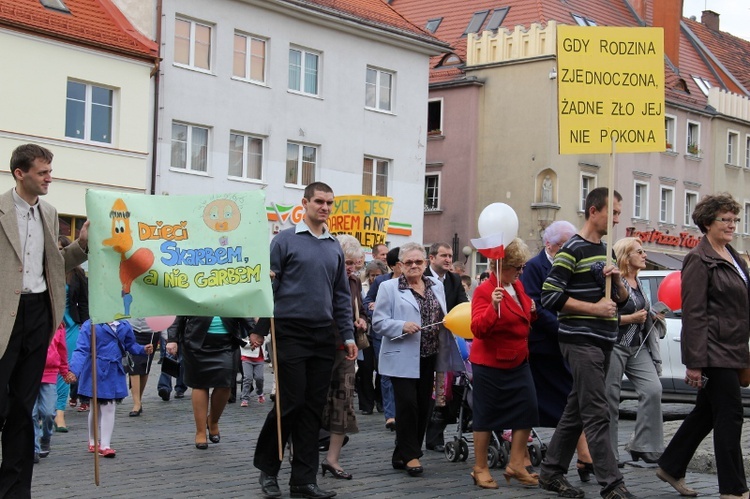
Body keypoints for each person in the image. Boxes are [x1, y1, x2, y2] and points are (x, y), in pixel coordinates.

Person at [253, 182, 356, 499]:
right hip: (289, 331)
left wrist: (348, 334)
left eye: (329, 203)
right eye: (319, 201)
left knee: (313, 408)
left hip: (323, 334)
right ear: (305, 203)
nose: (324, 207)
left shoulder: (334, 246)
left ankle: (303, 480)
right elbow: (267, 288)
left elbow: (340, 296)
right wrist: (259, 329)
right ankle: (268, 470)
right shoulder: (284, 240)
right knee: (290, 402)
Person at [0, 143, 88, 497]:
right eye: (42, 172)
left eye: (50, 171)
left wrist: (81, 245)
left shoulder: (49, 213)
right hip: (3, 315)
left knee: (24, 405)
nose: (49, 178)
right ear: (20, 174)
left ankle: (16, 490)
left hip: (38, 313)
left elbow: (55, 264)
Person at [538, 187, 633, 499]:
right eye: (614, 212)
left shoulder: (609, 251)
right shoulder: (571, 250)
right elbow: (549, 296)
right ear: (594, 211)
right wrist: (593, 308)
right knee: (596, 410)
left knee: (577, 409)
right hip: (580, 341)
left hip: (604, 340)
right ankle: (612, 484)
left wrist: (617, 281)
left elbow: (623, 302)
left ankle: (551, 472)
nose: (617, 219)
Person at [656, 193, 750, 499]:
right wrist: (693, 362)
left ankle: (671, 465)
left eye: (735, 219)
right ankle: (733, 490)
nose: (732, 224)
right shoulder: (698, 258)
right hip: (712, 350)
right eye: (726, 219)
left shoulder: (733, 255)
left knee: (707, 413)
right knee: (731, 414)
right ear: (708, 222)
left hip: (733, 347)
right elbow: (694, 312)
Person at [372, 242, 464, 477]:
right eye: (409, 262)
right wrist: (401, 325)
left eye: (418, 262)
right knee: (407, 406)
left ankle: (400, 454)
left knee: (423, 406)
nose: (414, 266)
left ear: (425, 263)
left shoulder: (435, 286)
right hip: (401, 356)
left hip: (429, 355)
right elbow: (378, 322)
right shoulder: (389, 288)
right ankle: (412, 455)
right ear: (400, 265)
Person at [520, 220, 595, 482]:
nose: (570, 248)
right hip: (543, 347)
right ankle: (520, 456)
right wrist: (562, 326)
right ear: (550, 244)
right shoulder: (534, 267)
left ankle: (585, 456)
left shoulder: (572, 264)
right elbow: (534, 306)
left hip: (569, 343)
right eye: (565, 243)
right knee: (535, 403)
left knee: (573, 400)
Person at [469, 238, 538, 489]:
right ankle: (480, 468)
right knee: (486, 416)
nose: (521, 272)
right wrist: (493, 307)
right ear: (501, 265)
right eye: (516, 267)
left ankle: (517, 463)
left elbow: (522, 316)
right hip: (491, 362)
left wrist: (532, 309)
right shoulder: (485, 290)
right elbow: (477, 328)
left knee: (528, 408)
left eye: (522, 267)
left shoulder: (516, 286)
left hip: (519, 359)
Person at [606, 237, 664, 464]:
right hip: (615, 345)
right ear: (626, 257)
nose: (645, 255)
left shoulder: (639, 282)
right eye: (639, 252)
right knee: (610, 400)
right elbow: (604, 316)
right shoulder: (615, 282)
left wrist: (653, 315)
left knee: (653, 389)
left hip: (637, 347)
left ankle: (643, 445)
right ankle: (609, 454)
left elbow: (642, 312)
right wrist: (630, 317)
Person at [166, 316, 255, 449]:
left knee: (225, 385)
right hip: (196, 343)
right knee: (199, 385)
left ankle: (213, 420)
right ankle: (200, 431)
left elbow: (242, 309)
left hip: (227, 344)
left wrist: (253, 331)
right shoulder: (191, 293)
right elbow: (178, 313)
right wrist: (172, 339)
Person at [68, 319, 153, 458]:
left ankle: (105, 445)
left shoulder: (124, 325)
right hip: (95, 370)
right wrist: (74, 371)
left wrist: (143, 349)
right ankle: (93, 440)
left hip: (114, 370)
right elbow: (81, 349)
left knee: (109, 406)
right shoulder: (91, 324)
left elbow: (130, 345)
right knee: (95, 407)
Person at [320, 235, 366, 480]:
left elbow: (357, 308)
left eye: (354, 263)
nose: (350, 267)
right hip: (321, 348)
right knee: (313, 402)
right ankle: (300, 453)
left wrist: (361, 321)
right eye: (347, 262)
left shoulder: (354, 282)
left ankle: (332, 459)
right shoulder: (323, 279)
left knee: (343, 403)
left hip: (346, 351)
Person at [423, 242, 469, 453]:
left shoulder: (454, 280)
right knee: (423, 392)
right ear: (432, 258)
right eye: (444, 255)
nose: (448, 259)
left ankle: (435, 437)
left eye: (450, 256)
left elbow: (462, 305)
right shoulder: (420, 276)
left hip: (448, 341)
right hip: (423, 341)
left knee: (443, 391)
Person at [54, 235, 89, 431]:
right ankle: (47, 407)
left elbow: (84, 302)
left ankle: (59, 411)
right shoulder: (48, 268)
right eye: (56, 248)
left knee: (65, 367)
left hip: (72, 325)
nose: (59, 252)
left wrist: (85, 324)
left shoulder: (77, 274)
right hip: (50, 325)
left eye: (62, 248)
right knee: (48, 367)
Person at [31, 323, 72, 463]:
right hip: (30, 373)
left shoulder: (58, 326)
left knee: (48, 412)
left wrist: (65, 371)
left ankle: (46, 437)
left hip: (49, 373)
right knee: (32, 414)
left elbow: (62, 350)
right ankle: (34, 449)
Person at [356, 259, 387, 415]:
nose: (374, 278)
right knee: (365, 369)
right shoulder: (361, 286)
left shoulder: (386, 286)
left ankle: (380, 400)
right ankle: (366, 404)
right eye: (371, 275)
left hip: (380, 333)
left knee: (381, 370)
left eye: (377, 275)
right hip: (365, 334)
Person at [126, 317, 160, 417]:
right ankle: (136, 403)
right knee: (134, 366)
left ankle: (139, 399)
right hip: (133, 328)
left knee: (145, 367)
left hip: (152, 330)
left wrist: (167, 336)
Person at [157, 331, 187, 401]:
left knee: (182, 360)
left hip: (185, 333)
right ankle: (165, 388)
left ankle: (179, 387)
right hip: (173, 334)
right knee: (169, 359)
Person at [240, 332, 266, 407]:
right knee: (247, 378)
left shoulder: (262, 329)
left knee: (259, 378)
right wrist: (253, 343)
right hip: (247, 358)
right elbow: (242, 342)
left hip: (259, 359)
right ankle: (244, 398)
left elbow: (268, 337)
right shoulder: (245, 329)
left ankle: (260, 392)